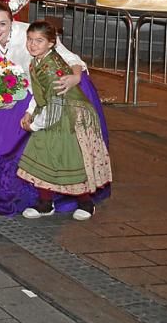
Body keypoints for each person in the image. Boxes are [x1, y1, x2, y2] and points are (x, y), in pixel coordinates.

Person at [0, 7, 105, 216]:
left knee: (65, 153)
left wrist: (76, 77)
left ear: (12, 22)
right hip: (29, 97)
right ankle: (42, 200)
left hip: (56, 99)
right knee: (8, 140)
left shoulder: (33, 36)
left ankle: (81, 200)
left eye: (2, 23)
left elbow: (69, 60)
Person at [18, 21, 113, 220]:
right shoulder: (37, 61)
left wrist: (35, 124)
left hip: (67, 117)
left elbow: (56, 103)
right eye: (30, 40)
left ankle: (86, 203)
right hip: (51, 115)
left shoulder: (52, 66)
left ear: (51, 43)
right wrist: (30, 111)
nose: (33, 45)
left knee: (70, 158)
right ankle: (45, 203)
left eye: (39, 41)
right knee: (44, 156)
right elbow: (40, 93)